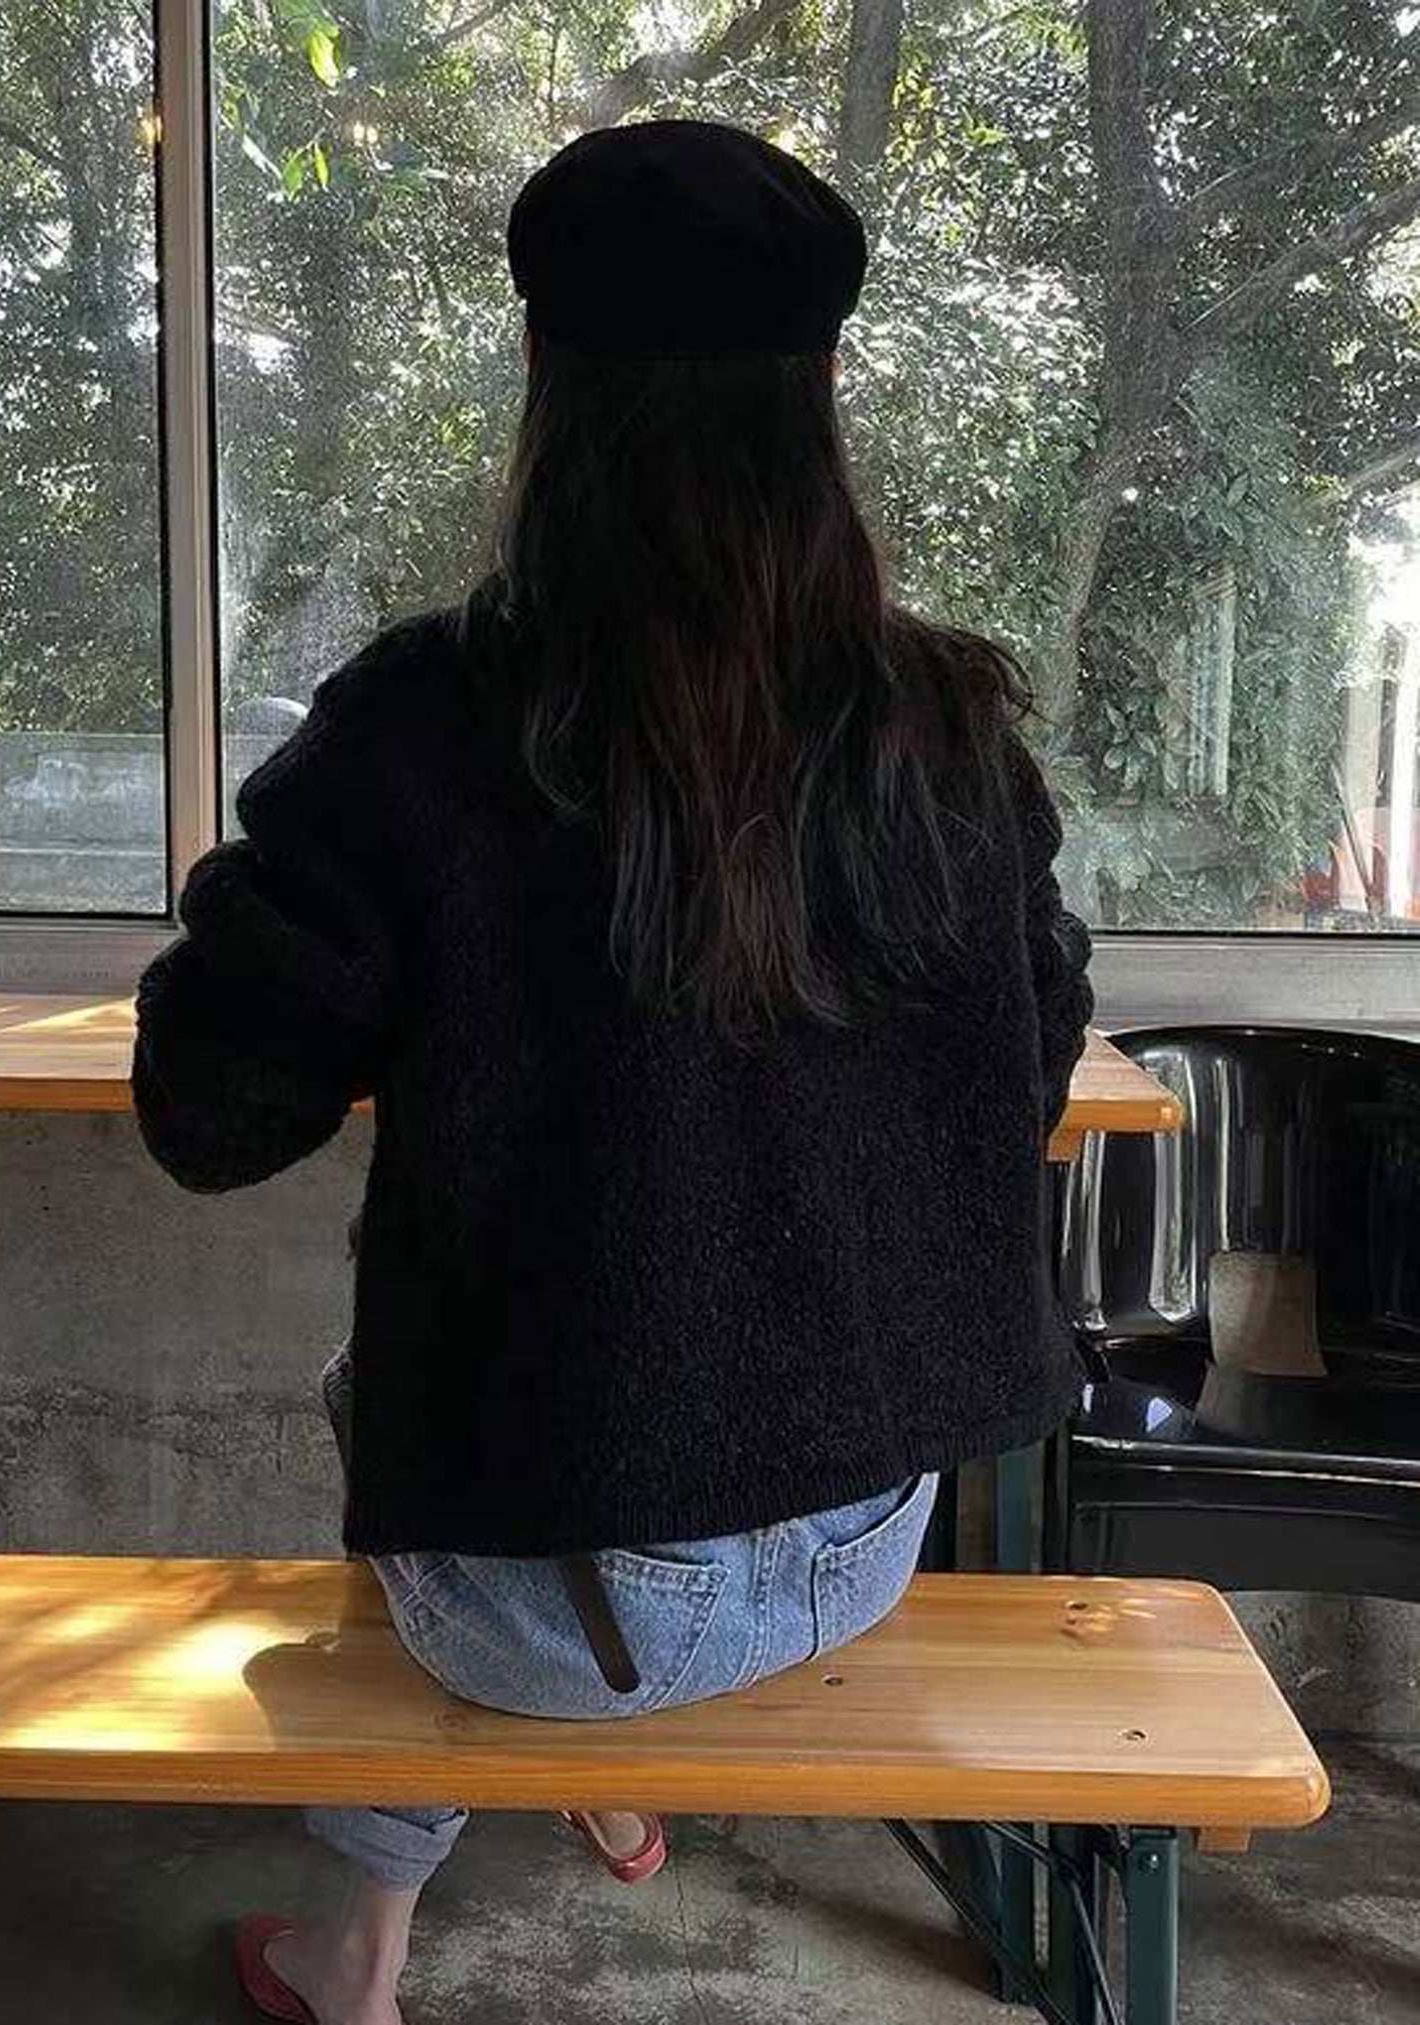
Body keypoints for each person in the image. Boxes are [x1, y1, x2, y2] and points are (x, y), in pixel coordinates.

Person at [134, 118, 1092, 2025]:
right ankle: (595, 1780)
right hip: (869, 1533)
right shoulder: (945, 726)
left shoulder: (427, 722)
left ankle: (359, 1955)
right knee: (546, 1389)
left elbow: (207, 1115)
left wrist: (289, 905)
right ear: (822, 386)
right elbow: (1032, 1055)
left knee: (402, 1388)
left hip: (557, 1610)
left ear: (539, 375)